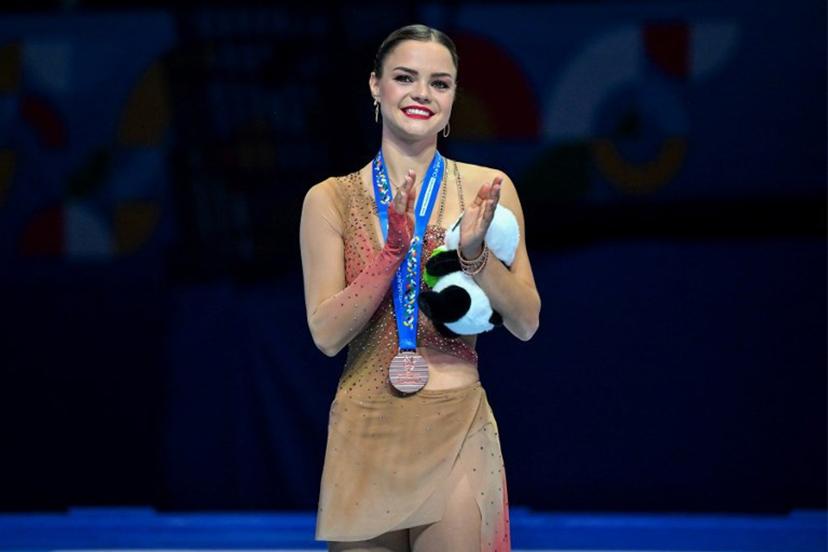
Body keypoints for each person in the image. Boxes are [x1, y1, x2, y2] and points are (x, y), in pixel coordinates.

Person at [299, 23, 540, 552]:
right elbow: (326, 334)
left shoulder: (486, 188)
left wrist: (476, 257)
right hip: (365, 429)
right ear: (375, 86)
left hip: (454, 426)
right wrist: (391, 254)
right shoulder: (330, 199)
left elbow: (525, 322)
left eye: (440, 83)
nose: (422, 95)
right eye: (405, 78)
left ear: (454, 97)